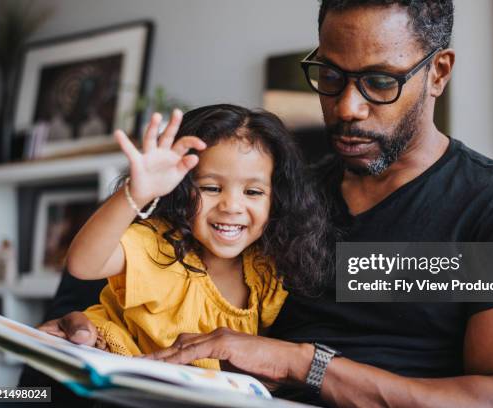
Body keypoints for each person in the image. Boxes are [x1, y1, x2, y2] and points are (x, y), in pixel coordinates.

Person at [39, 1, 493, 406]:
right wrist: (82, 327)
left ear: (438, 73)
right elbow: (167, 277)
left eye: (381, 81)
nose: (347, 107)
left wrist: (302, 364)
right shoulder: (278, 197)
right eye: (331, 76)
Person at [41, 104, 332, 370]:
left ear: (277, 199)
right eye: (211, 188)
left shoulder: (266, 269)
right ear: (180, 189)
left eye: (253, 192)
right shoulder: (160, 245)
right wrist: (137, 193)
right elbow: (83, 265)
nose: (231, 206)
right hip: (112, 361)